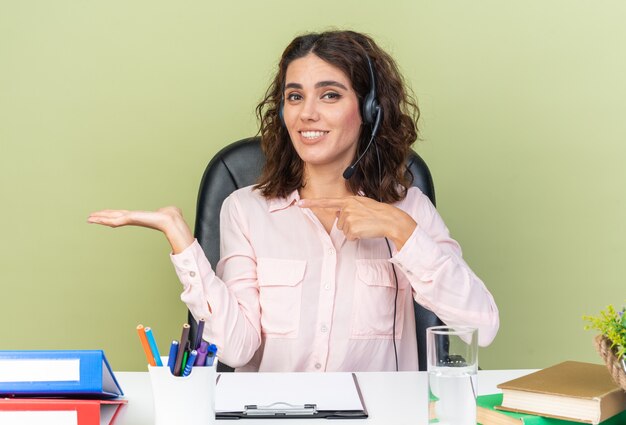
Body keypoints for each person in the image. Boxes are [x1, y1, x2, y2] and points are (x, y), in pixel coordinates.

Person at [88, 30, 499, 372]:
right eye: (295, 96)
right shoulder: (245, 210)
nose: (307, 114)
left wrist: (400, 229)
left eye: (331, 95)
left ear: (369, 111)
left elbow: (481, 324)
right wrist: (181, 241)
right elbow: (236, 348)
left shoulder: (408, 210)